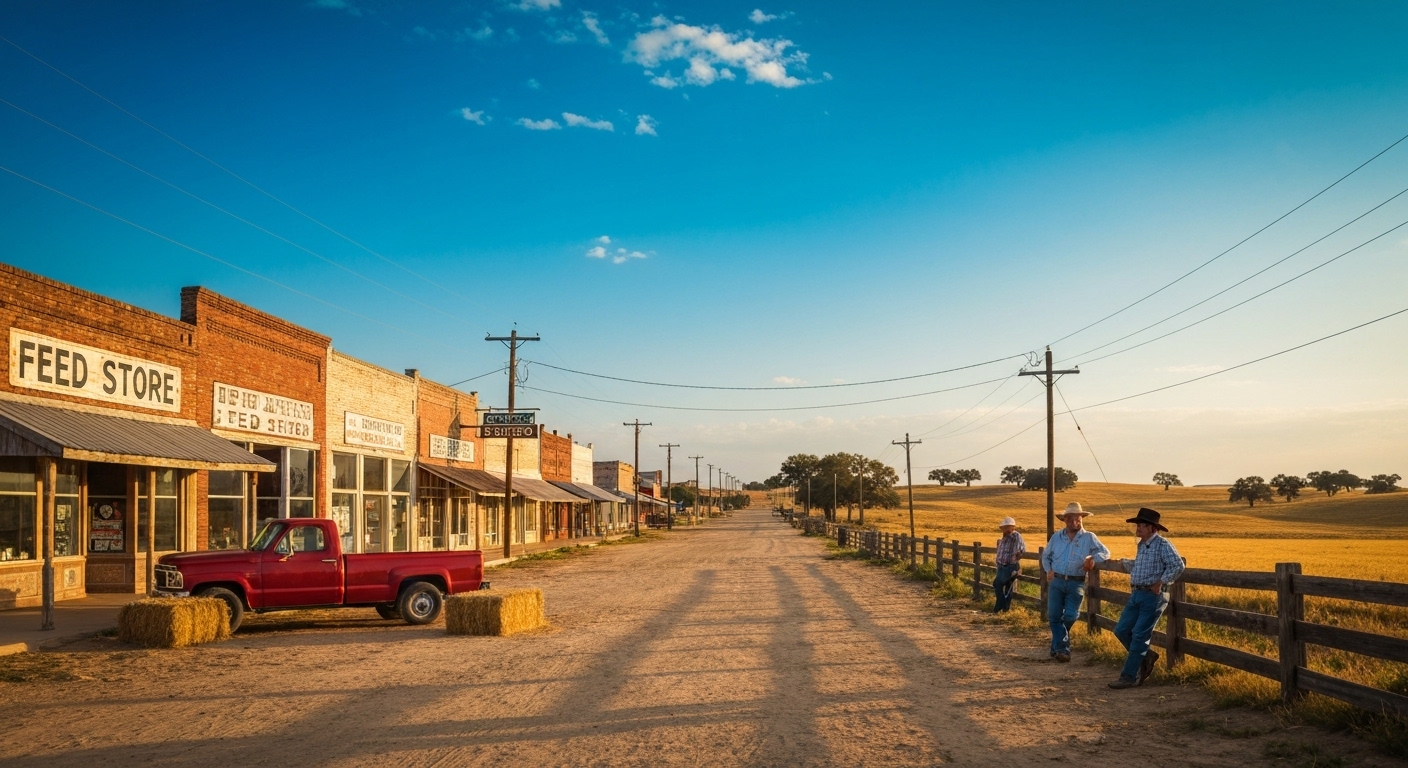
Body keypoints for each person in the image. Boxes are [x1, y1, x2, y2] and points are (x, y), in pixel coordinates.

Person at [1108, 507, 1184, 689]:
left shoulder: (1163, 544)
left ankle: (1129, 676)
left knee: (1140, 635)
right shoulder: (1142, 545)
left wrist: (1161, 582)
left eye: (1142, 525)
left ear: (1152, 528)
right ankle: (1147, 656)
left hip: (1153, 595)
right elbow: (1141, 565)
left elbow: (1177, 565)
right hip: (1137, 593)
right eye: (1138, 525)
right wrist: (1124, 563)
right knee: (1121, 630)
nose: (1138, 528)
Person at [1040, 502, 1110, 662]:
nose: (1074, 521)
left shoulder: (1089, 537)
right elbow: (1046, 556)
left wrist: (1092, 558)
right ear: (1064, 519)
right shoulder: (1056, 537)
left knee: (1071, 615)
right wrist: (1048, 570)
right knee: (1054, 616)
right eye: (1070, 518)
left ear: (1081, 518)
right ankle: (1063, 650)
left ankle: (1056, 645)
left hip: (1076, 582)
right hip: (1057, 580)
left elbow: (1105, 552)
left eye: (1077, 518)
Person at [993, 517, 1026, 613]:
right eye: (1004, 527)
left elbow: (1021, 549)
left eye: (1008, 527)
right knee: (1007, 587)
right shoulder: (1003, 539)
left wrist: (1018, 556)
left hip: (1010, 566)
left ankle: (1000, 605)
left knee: (997, 584)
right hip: (1002, 566)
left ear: (1013, 527)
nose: (1006, 530)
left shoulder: (1015, 536)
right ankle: (1005, 608)